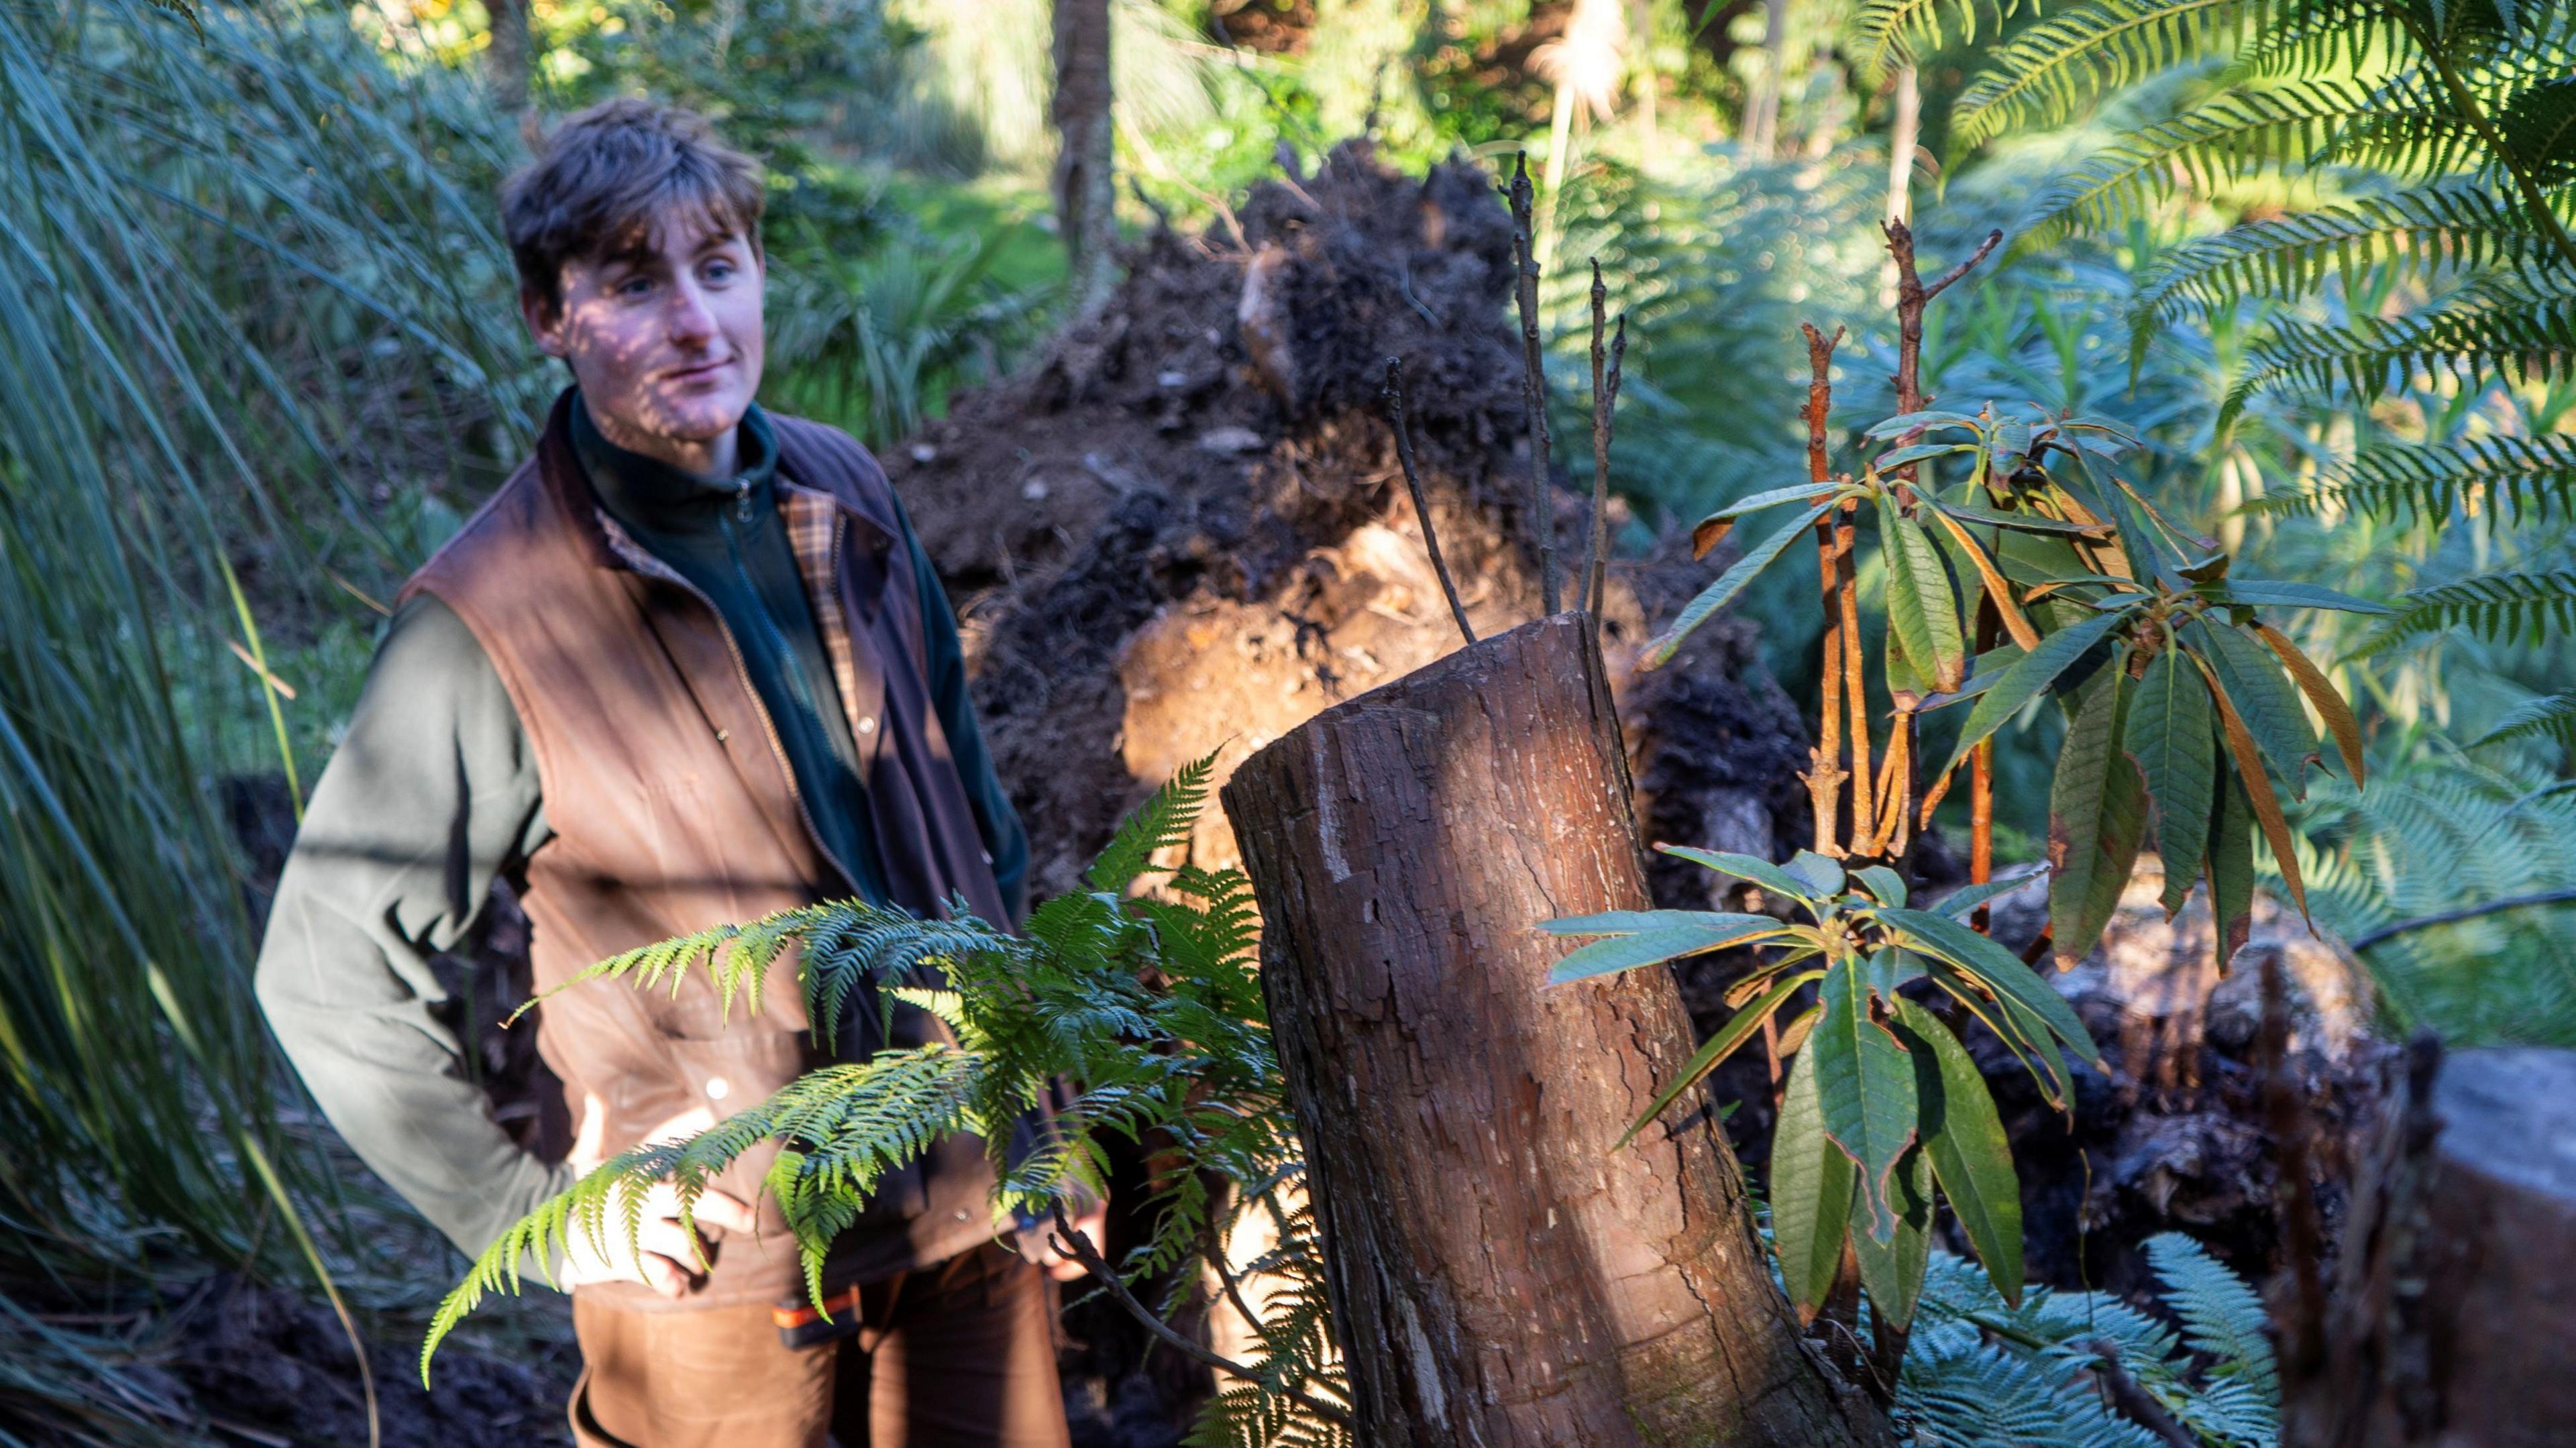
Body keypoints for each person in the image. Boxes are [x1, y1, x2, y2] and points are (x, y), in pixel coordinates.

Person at [254, 98, 1095, 1448]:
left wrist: (1038, 1108)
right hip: (716, 1256)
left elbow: (973, 828)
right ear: (549, 315)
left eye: (719, 268)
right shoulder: (491, 617)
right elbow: (323, 972)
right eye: (634, 283)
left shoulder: (846, 495)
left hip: (962, 1204)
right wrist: (536, 1222)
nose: (698, 322)